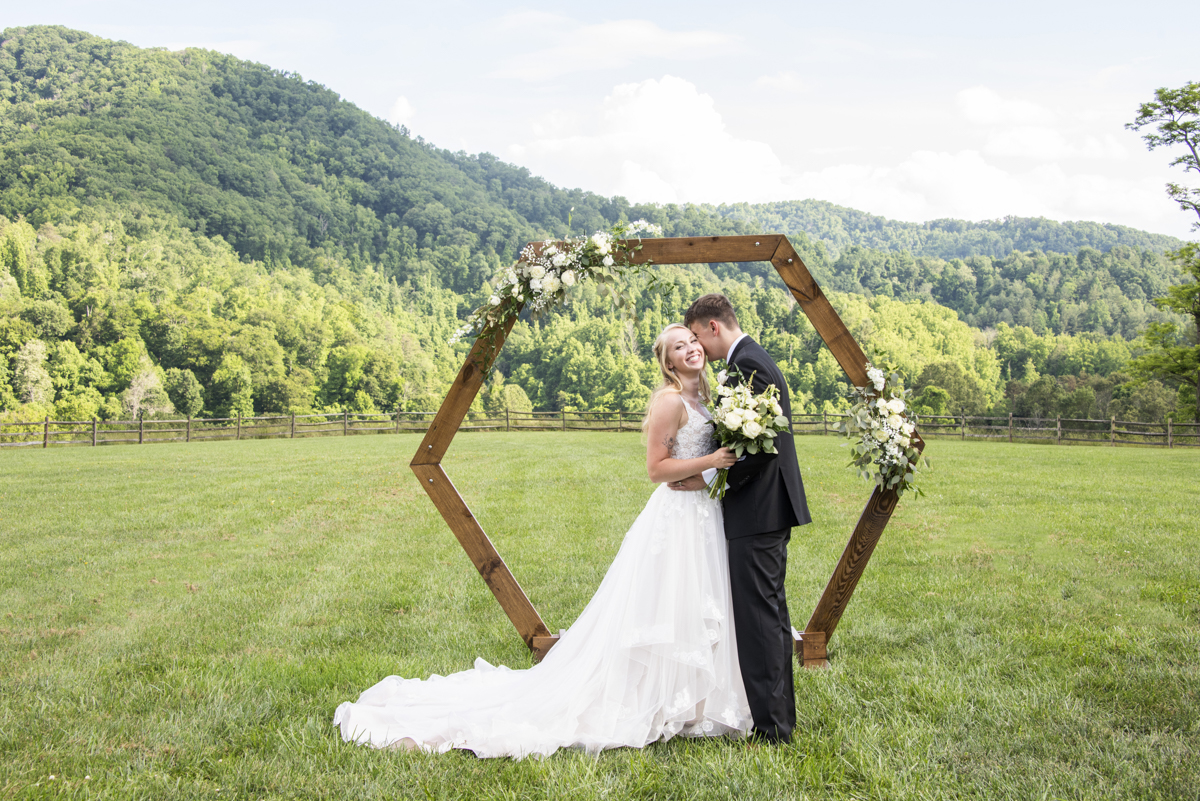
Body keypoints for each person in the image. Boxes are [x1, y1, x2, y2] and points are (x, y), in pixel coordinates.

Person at [334, 323, 752, 758]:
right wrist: (712, 461)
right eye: (678, 347)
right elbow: (656, 469)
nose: (690, 350)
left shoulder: (706, 397)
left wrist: (711, 470)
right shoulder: (669, 402)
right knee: (664, 605)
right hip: (676, 517)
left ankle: (692, 701)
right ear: (667, 362)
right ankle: (658, 698)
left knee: (694, 602)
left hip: (705, 513)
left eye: (692, 342)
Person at [676, 293, 812, 744]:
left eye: (696, 336)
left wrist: (710, 477)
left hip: (757, 508)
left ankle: (774, 729)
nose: (698, 346)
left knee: (759, 620)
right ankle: (777, 720)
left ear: (714, 327)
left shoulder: (746, 367)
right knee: (768, 616)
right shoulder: (752, 359)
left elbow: (755, 449)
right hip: (767, 508)